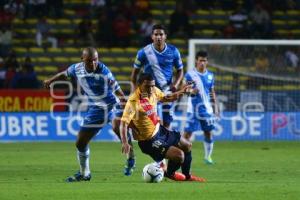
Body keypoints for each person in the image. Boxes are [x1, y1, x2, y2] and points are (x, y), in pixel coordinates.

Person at [44, 47, 126, 182]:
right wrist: (50, 80)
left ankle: (140, 157)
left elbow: (117, 89)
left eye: (95, 60)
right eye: (89, 61)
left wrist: (124, 101)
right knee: (80, 143)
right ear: (82, 60)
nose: (93, 64)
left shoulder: (104, 71)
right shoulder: (76, 69)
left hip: (111, 106)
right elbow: (64, 74)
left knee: (121, 131)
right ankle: (84, 174)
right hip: (96, 109)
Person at [114, 24, 184, 176]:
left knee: (165, 125)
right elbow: (134, 75)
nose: (159, 37)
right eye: (156, 34)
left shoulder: (173, 51)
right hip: (146, 95)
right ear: (152, 36)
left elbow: (180, 70)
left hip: (163, 93)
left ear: (165, 36)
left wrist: (175, 86)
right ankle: (136, 155)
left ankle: (162, 161)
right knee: (137, 125)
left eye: (161, 34)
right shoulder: (143, 52)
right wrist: (135, 94)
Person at [120, 73, 205, 182]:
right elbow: (123, 123)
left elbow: (166, 98)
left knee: (187, 145)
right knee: (179, 156)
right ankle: (169, 174)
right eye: (147, 86)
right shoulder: (133, 102)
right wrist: (124, 142)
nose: (151, 89)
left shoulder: (154, 90)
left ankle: (187, 176)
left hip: (160, 131)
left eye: (152, 85)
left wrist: (182, 92)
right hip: (149, 141)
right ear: (139, 85)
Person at [183, 51, 219, 165]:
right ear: (196, 61)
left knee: (208, 132)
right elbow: (184, 91)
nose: (202, 63)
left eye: (204, 60)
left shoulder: (210, 76)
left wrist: (216, 108)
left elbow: (212, 92)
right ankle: (182, 157)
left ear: (207, 62)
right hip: (192, 109)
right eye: (200, 60)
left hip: (207, 110)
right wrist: (191, 91)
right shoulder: (190, 74)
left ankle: (208, 157)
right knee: (187, 134)